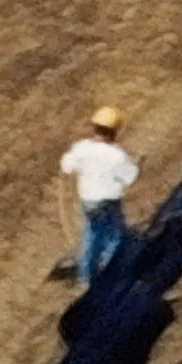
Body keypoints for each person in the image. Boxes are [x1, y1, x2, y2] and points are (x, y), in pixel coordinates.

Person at [60, 105, 140, 283]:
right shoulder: (117, 155)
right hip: (108, 202)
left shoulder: (81, 148)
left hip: (87, 201)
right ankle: (113, 276)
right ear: (114, 131)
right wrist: (136, 165)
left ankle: (86, 278)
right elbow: (130, 177)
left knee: (90, 235)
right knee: (114, 237)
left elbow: (66, 166)